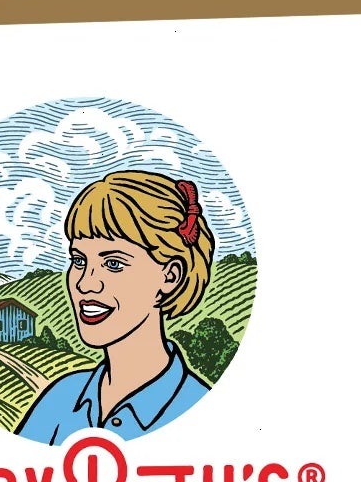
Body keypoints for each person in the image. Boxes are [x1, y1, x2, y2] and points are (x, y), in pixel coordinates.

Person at [17, 170, 216, 444]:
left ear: (169, 276)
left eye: (113, 264)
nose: (85, 283)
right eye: (79, 261)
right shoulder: (60, 398)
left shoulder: (201, 409)